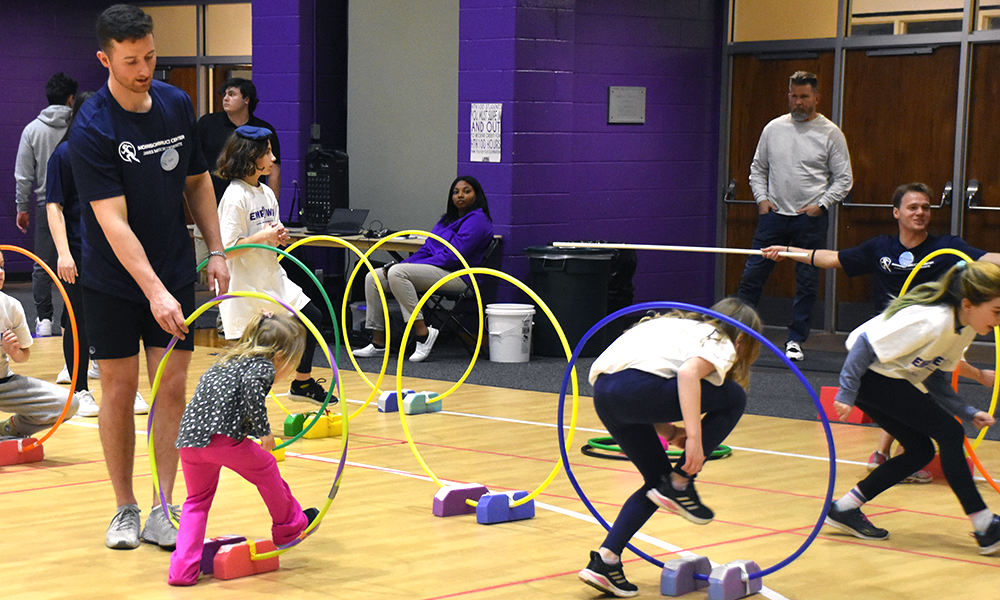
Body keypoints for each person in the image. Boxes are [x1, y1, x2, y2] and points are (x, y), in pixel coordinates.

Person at [68, 4, 230, 550]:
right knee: (118, 390)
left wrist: (216, 250)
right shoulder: (92, 124)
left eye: (150, 57)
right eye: (132, 60)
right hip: (112, 278)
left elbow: (198, 182)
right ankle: (125, 507)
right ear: (105, 59)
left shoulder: (176, 104)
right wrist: (153, 291)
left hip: (171, 266)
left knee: (171, 389)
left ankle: (164, 505)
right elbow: (111, 220)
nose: (143, 69)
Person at [763, 181, 1000, 483]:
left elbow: (987, 260)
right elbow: (833, 258)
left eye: (926, 208)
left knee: (919, 387)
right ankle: (893, 456)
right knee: (909, 392)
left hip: (930, 336)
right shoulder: (879, 248)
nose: (920, 212)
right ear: (896, 213)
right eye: (913, 207)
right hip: (886, 340)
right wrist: (787, 251)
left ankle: (893, 455)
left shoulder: (947, 248)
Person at [577, 298, 762, 598]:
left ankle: (606, 561)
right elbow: (688, 375)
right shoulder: (719, 337)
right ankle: (681, 481)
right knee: (735, 397)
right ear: (741, 338)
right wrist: (694, 440)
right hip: (638, 391)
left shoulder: (670, 325)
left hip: (606, 396)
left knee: (656, 483)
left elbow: (643, 375)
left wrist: (669, 431)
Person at [824, 261, 1000, 555]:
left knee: (920, 451)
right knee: (950, 433)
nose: (999, 319)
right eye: (996, 311)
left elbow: (937, 376)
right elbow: (864, 345)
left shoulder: (964, 328)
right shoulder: (932, 320)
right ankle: (984, 525)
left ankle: (844, 508)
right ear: (968, 303)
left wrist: (968, 411)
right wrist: (847, 391)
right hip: (868, 375)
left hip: (886, 379)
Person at [168, 311, 319, 586]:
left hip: (189, 440)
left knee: (196, 502)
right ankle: (289, 527)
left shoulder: (224, 361)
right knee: (267, 468)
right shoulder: (263, 366)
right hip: (223, 440)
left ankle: (182, 570)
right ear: (281, 356)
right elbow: (251, 388)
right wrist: (264, 432)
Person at [736, 70, 853, 363]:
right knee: (751, 277)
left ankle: (795, 340)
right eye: (793, 96)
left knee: (807, 282)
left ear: (816, 98)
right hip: (773, 216)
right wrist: (761, 199)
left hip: (809, 219)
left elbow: (843, 179)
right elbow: (758, 168)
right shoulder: (773, 128)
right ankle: (736, 333)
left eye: (804, 97)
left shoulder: (830, 133)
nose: (797, 102)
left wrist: (821, 205)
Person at [216, 125, 331, 405]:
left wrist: (277, 237)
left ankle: (302, 384)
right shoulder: (234, 197)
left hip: (272, 276)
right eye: (267, 152)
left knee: (312, 316)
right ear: (250, 156)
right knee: (260, 355)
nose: (273, 158)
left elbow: (268, 235)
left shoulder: (266, 193)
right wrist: (263, 236)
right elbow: (226, 250)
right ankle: (242, 409)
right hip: (246, 286)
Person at [352, 175, 495, 363]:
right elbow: (427, 248)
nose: (460, 195)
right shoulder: (446, 220)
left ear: (477, 195)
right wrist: (403, 264)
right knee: (374, 277)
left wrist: (407, 268)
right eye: (455, 192)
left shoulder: (478, 221)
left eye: (466, 191)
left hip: (461, 276)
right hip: (437, 270)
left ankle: (423, 333)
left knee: (398, 273)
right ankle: (379, 342)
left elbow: (453, 257)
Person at [15, 72, 78, 338]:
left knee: (42, 264)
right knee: (78, 261)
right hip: (80, 203)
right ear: (71, 99)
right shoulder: (80, 126)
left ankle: (44, 319)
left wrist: (22, 207)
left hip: (45, 203)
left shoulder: (32, 129)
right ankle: (72, 319)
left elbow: (23, 173)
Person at [0, 250, 80, 439]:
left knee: (68, 403)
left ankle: (10, 428)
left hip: (3, 383)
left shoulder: (11, 306)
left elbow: (24, 354)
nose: (0, 272)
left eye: (2, 266)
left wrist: (14, 351)